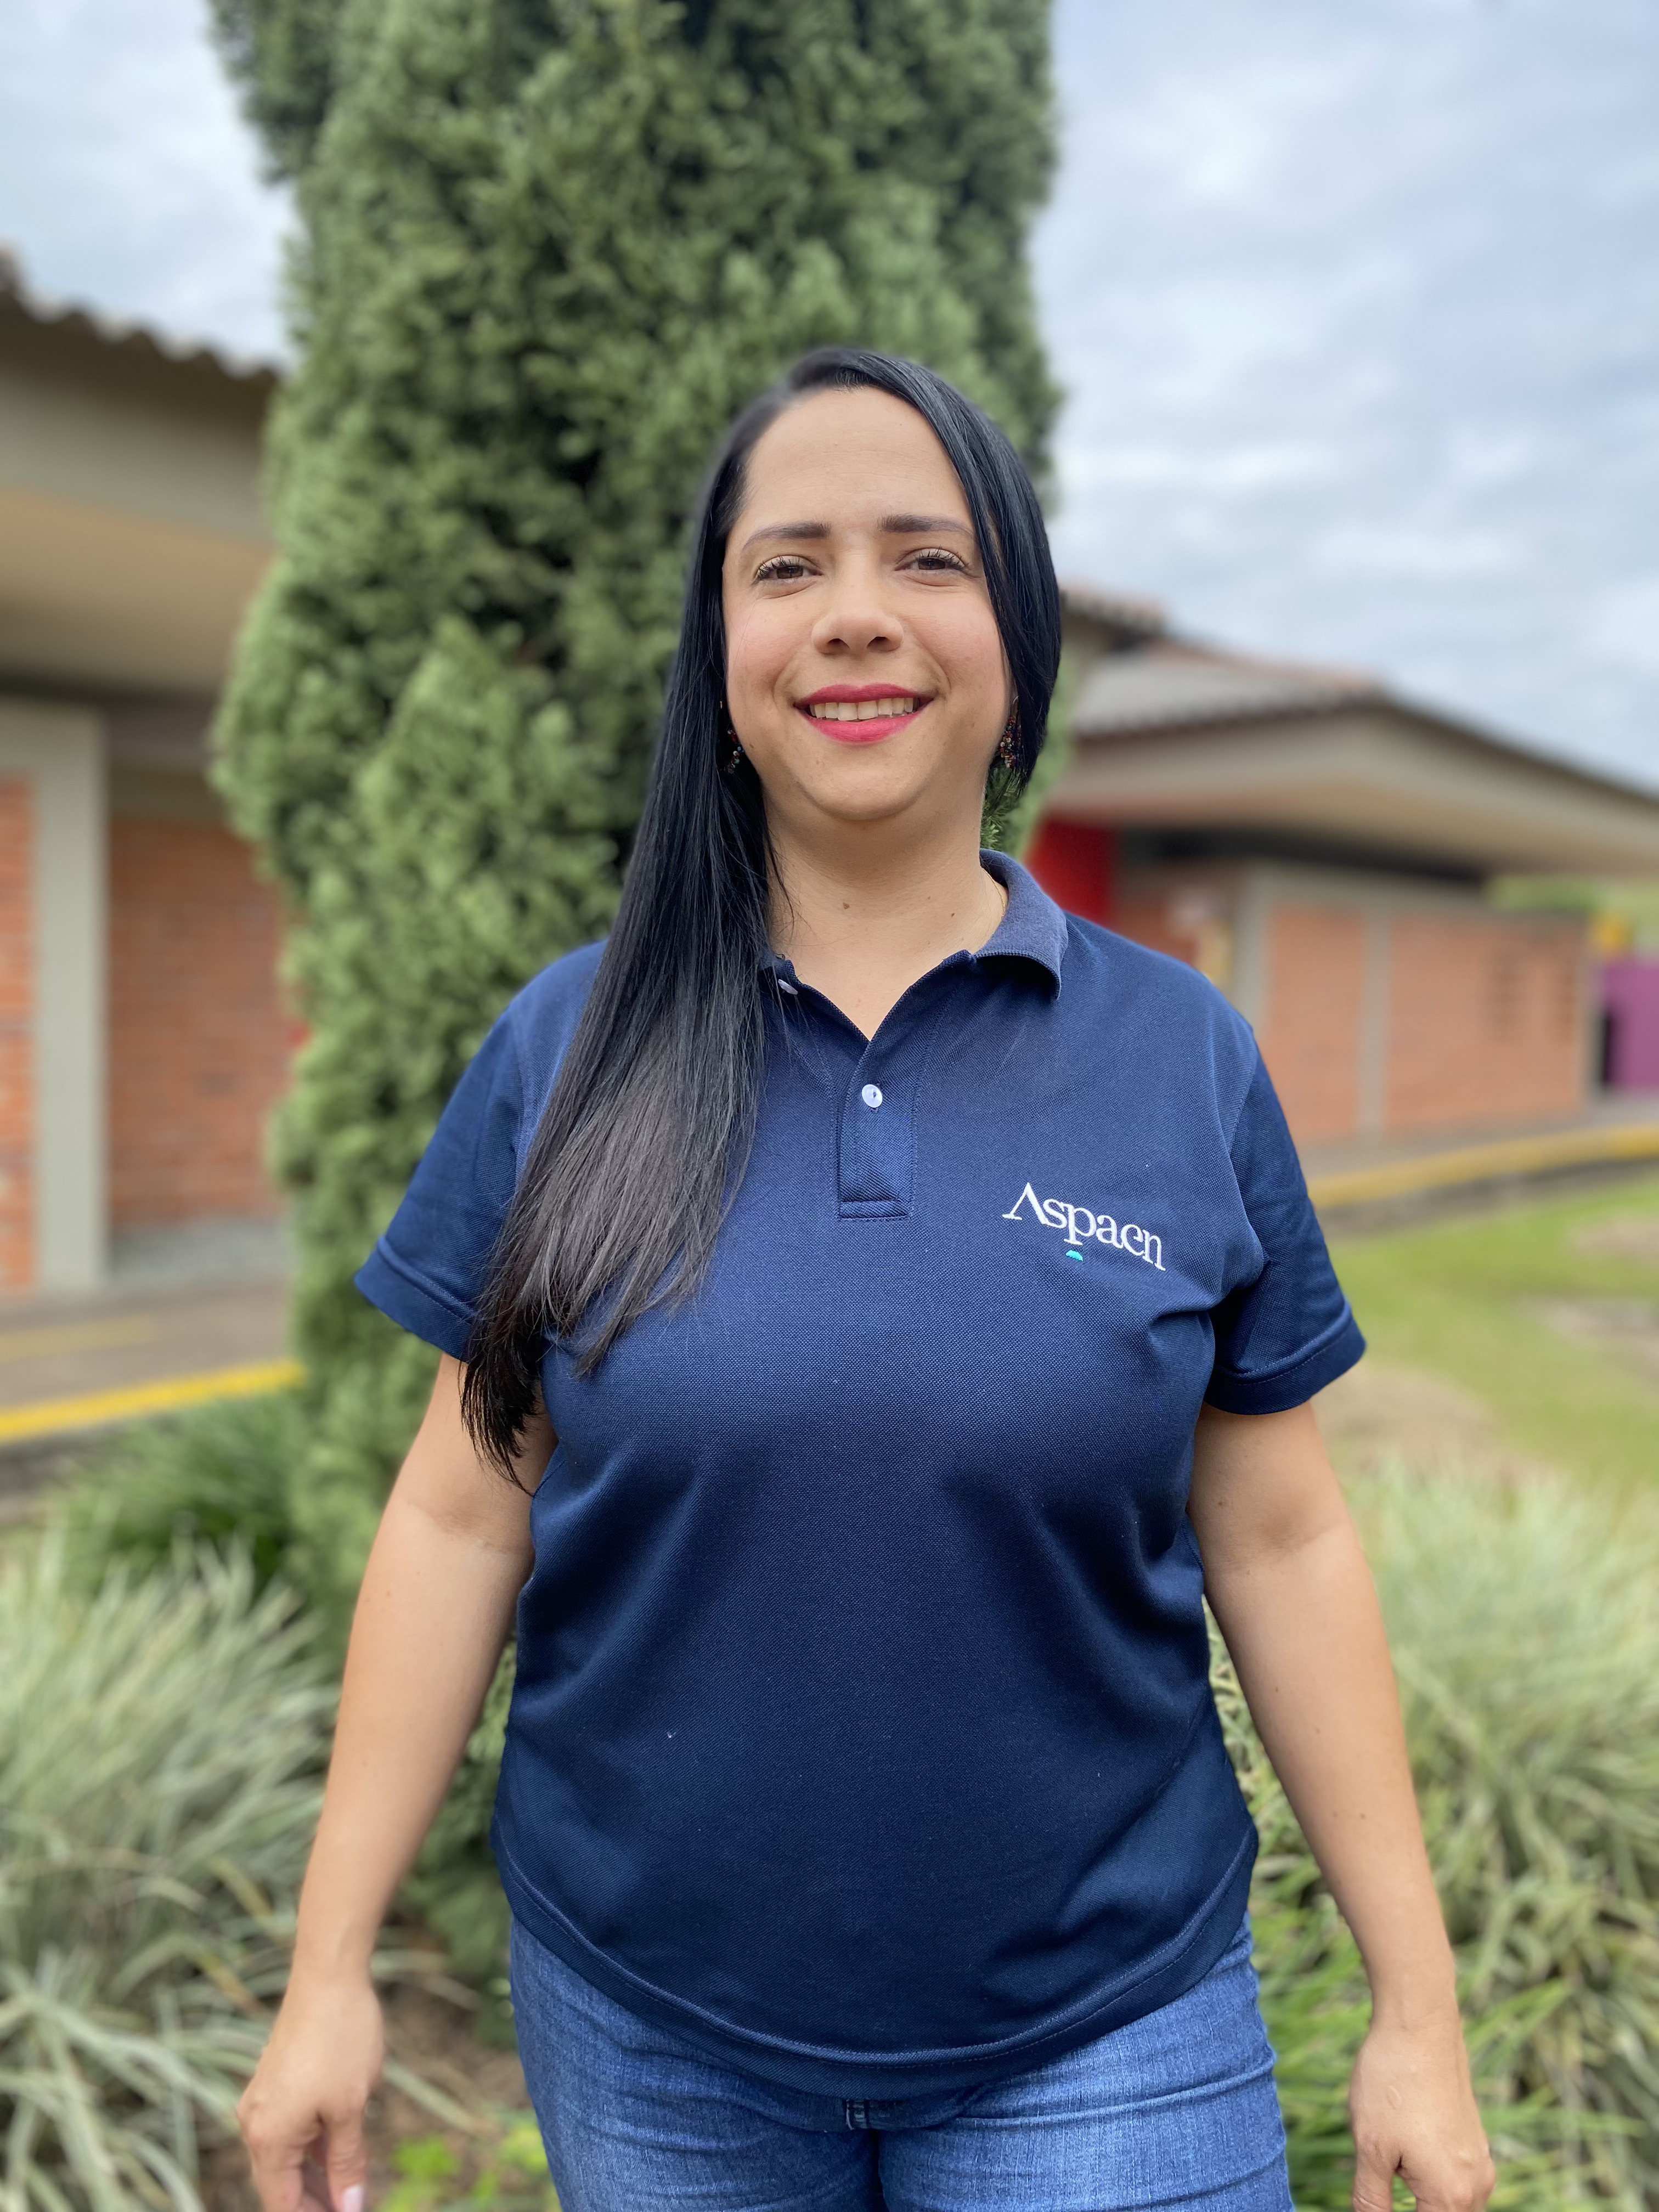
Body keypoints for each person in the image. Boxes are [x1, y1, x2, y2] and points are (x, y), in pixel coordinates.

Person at [238, 348, 1494, 2212]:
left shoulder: (1182, 1057)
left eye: (926, 558)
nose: (853, 616)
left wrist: (1420, 2008)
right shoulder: (566, 1048)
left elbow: (1284, 1537)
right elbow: (458, 1512)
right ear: (720, 656)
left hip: (1109, 2030)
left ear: (1019, 648)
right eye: (787, 565)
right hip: (654, 2032)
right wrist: (330, 1967)